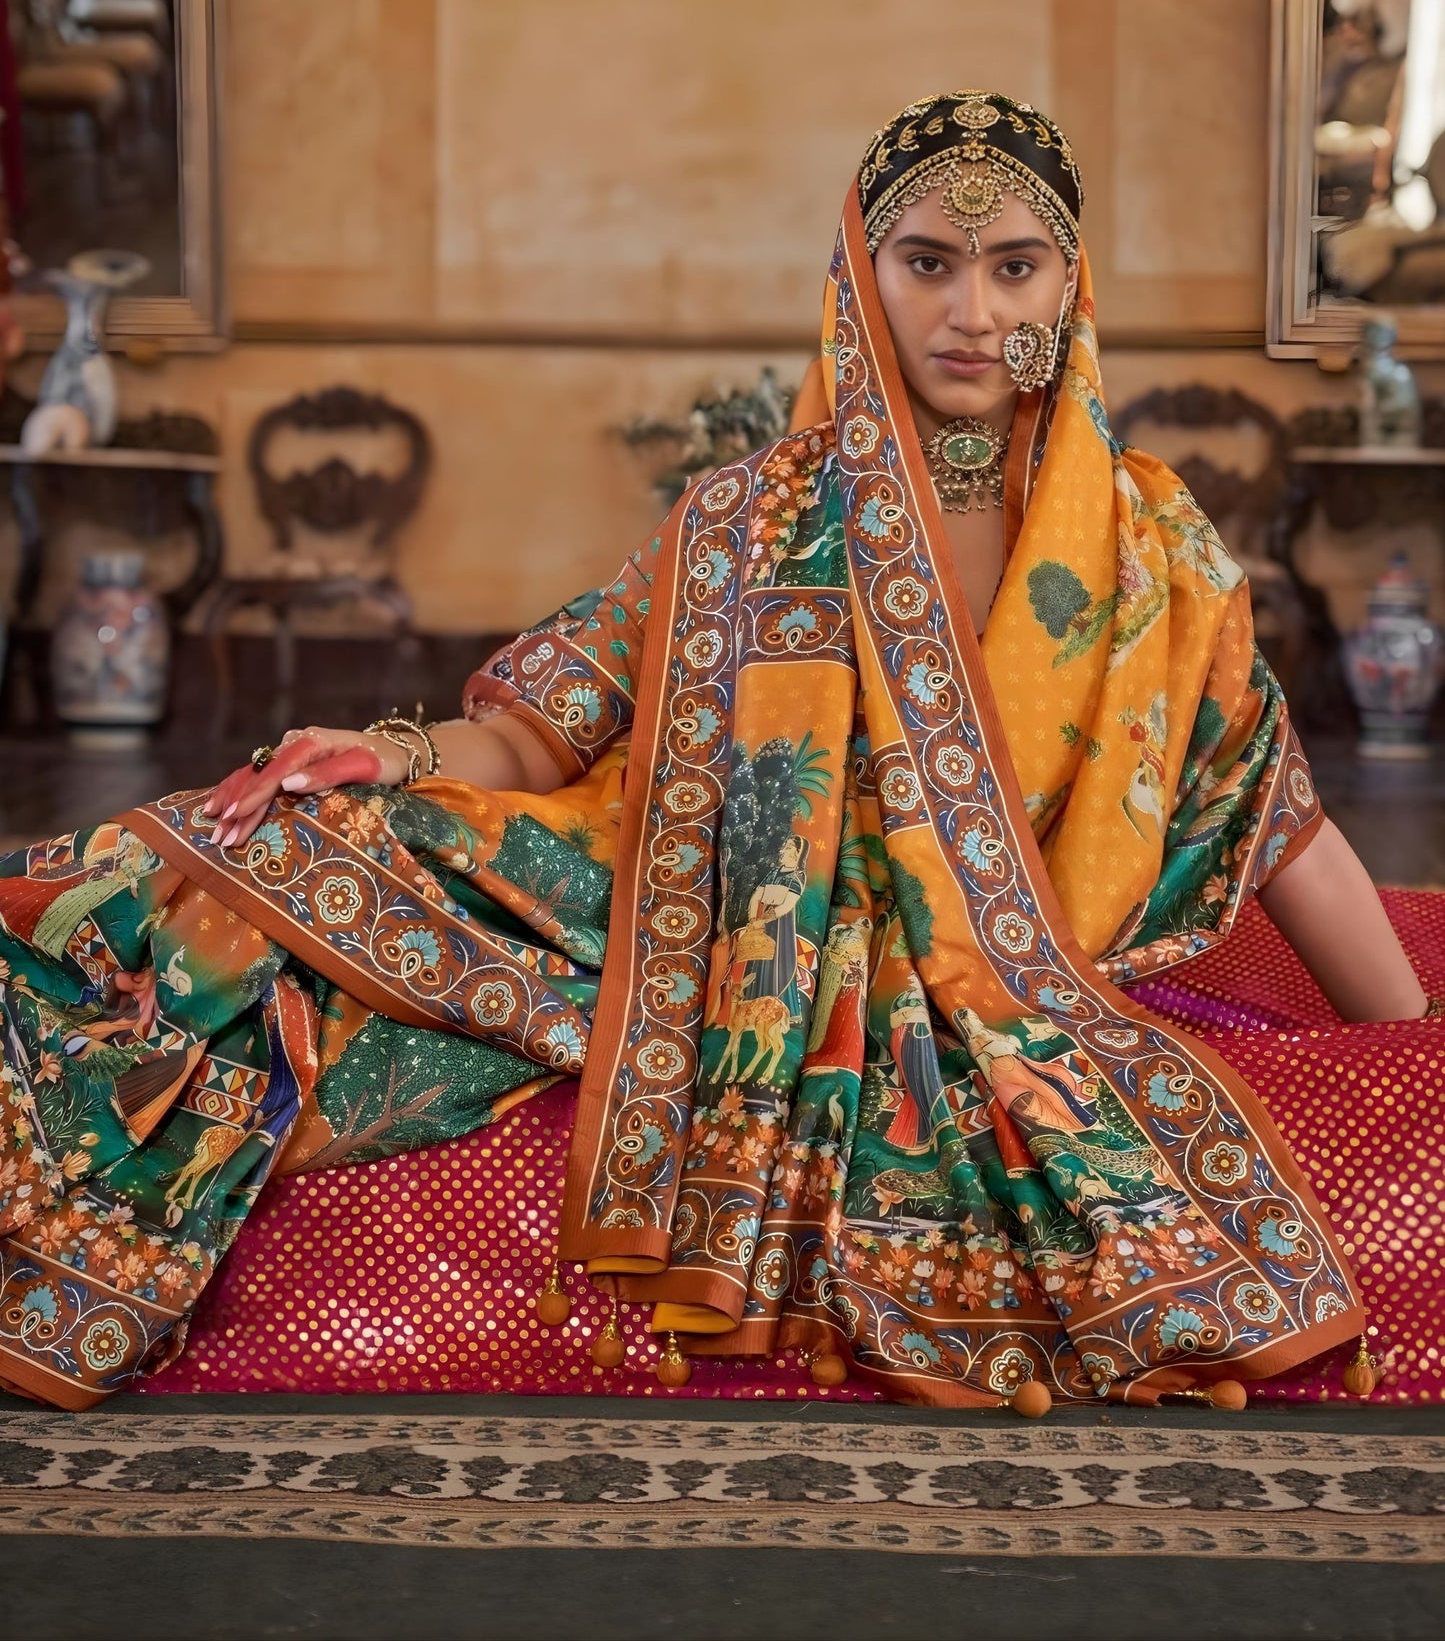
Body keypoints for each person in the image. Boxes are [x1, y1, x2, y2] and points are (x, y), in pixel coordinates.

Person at [0, 90, 1436, 1415]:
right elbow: (544, 723)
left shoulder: (1150, 547)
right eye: (926, 262)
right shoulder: (753, 515)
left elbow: (1272, 808)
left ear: (1070, 287)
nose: (971, 309)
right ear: (859, 273)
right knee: (249, 849)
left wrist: (1411, 1050)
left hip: (988, 971)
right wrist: (388, 752)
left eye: (1015, 267)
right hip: (707, 917)